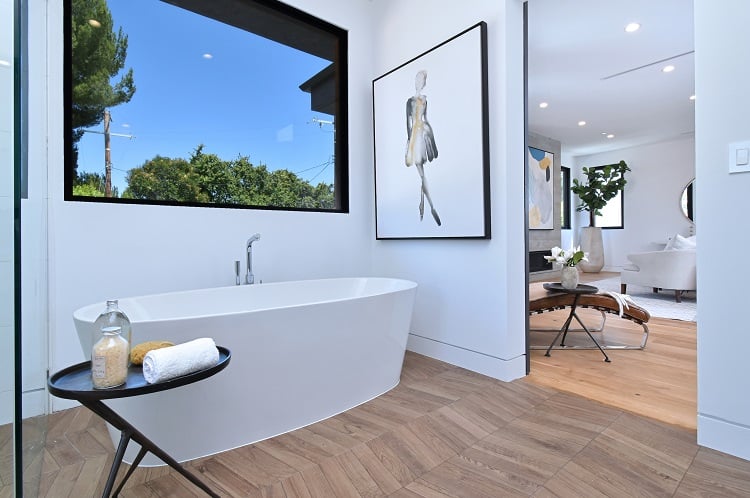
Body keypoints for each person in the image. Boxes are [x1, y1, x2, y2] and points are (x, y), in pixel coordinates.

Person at [405, 70, 441, 226]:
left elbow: (412, 123)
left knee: (421, 173)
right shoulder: (412, 101)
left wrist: (428, 138)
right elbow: (411, 123)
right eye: (416, 79)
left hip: (420, 134)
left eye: (420, 79)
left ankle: (429, 205)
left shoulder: (420, 101)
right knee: (421, 173)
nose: (418, 82)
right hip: (419, 133)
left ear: (423, 83)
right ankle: (426, 204)